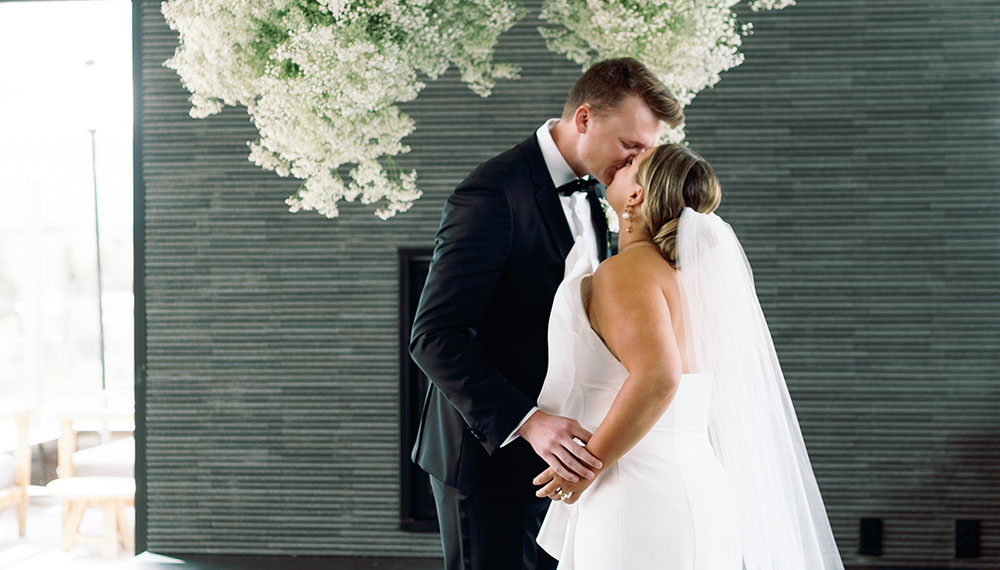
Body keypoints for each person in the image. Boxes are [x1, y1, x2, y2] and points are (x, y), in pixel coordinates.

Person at [408, 58, 684, 570]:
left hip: (564, 456)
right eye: (631, 146)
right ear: (584, 119)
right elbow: (435, 336)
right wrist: (530, 422)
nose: (637, 164)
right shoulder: (493, 194)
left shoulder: (605, 194)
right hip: (488, 458)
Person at [532, 144, 846, 569]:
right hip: (702, 487)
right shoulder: (699, 282)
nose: (619, 163)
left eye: (629, 165)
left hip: (635, 491)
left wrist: (582, 471)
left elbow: (659, 378)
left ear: (637, 196)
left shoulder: (624, 273)